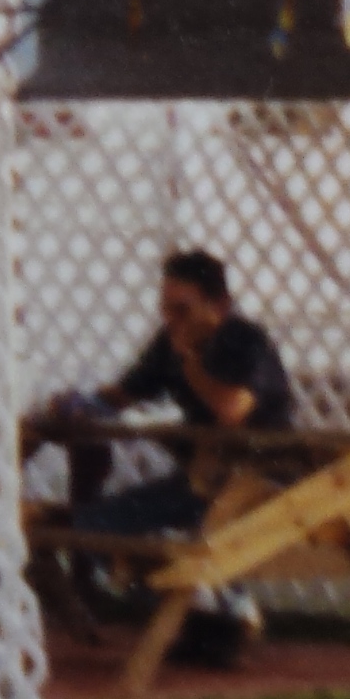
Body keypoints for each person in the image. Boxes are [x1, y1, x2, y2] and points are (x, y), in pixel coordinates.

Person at [41, 251, 296, 667]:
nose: (172, 319)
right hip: (203, 478)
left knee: (165, 534)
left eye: (183, 309)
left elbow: (231, 410)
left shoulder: (246, 340)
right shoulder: (168, 342)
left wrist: (192, 358)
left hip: (261, 480)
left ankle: (222, 611)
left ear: (220, 305)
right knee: (93, 526)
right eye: (166, 308)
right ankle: (210, 621)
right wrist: (77, 404)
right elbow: (123, 394)